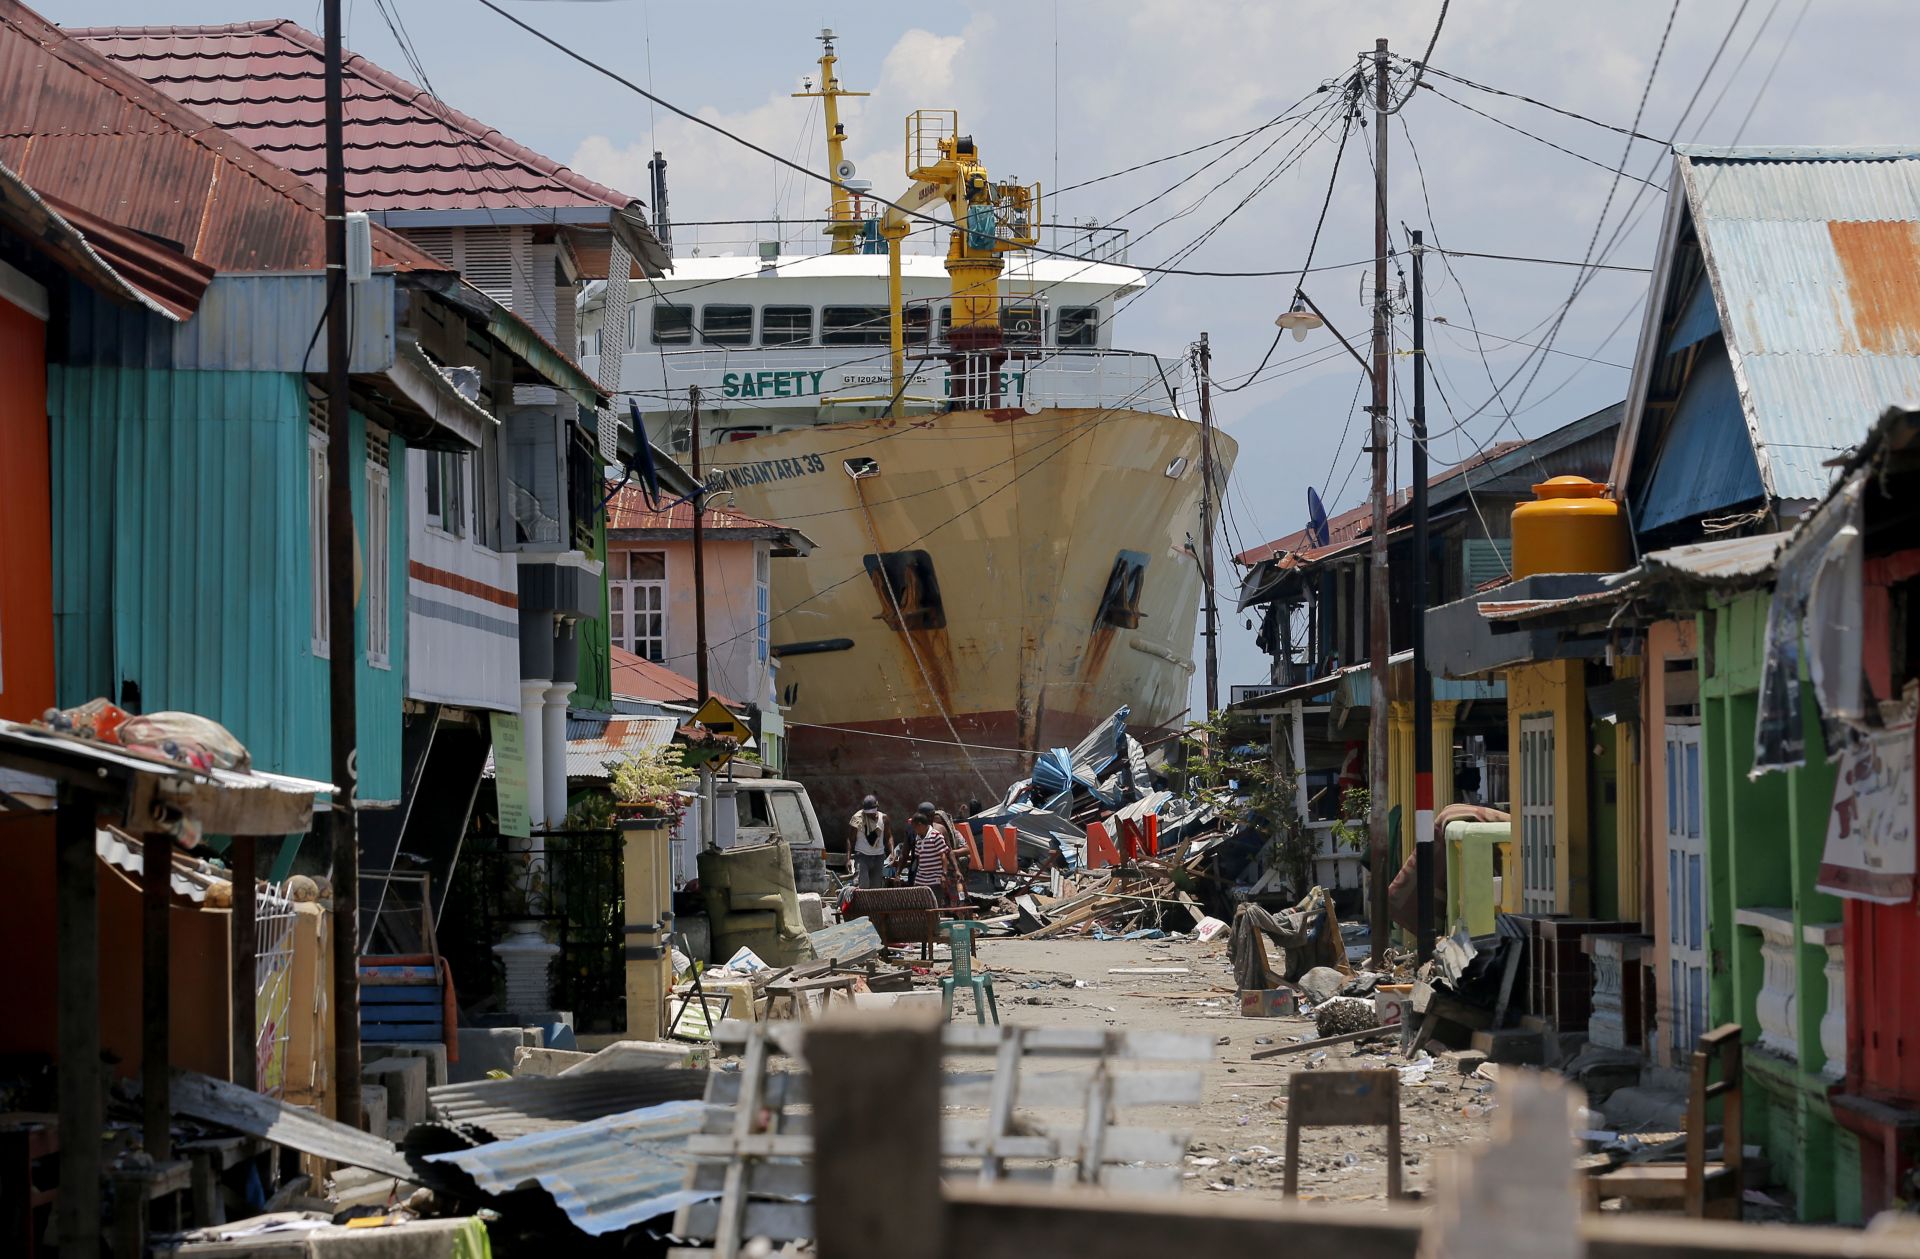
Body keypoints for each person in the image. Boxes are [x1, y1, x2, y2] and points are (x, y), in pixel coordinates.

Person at [908, 801, 962, 904]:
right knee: (921, 902)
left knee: (939, 901)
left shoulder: (938, 831)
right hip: (922, 877)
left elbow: (947, 852)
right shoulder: (918, 836)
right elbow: (918, 857)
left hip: (937, 875)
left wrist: (953, 870)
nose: (931, 818)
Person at [847, 796, 890, 889]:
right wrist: (848, 858)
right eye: (868, 814)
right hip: (862, 856)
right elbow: (851, 839)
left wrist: (892, 853)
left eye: (872, 813)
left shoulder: (884, 818)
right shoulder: (857, 819)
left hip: (878, 856)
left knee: (876, 888)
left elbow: (889, 836)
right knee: (862, 885)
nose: (870, 815)